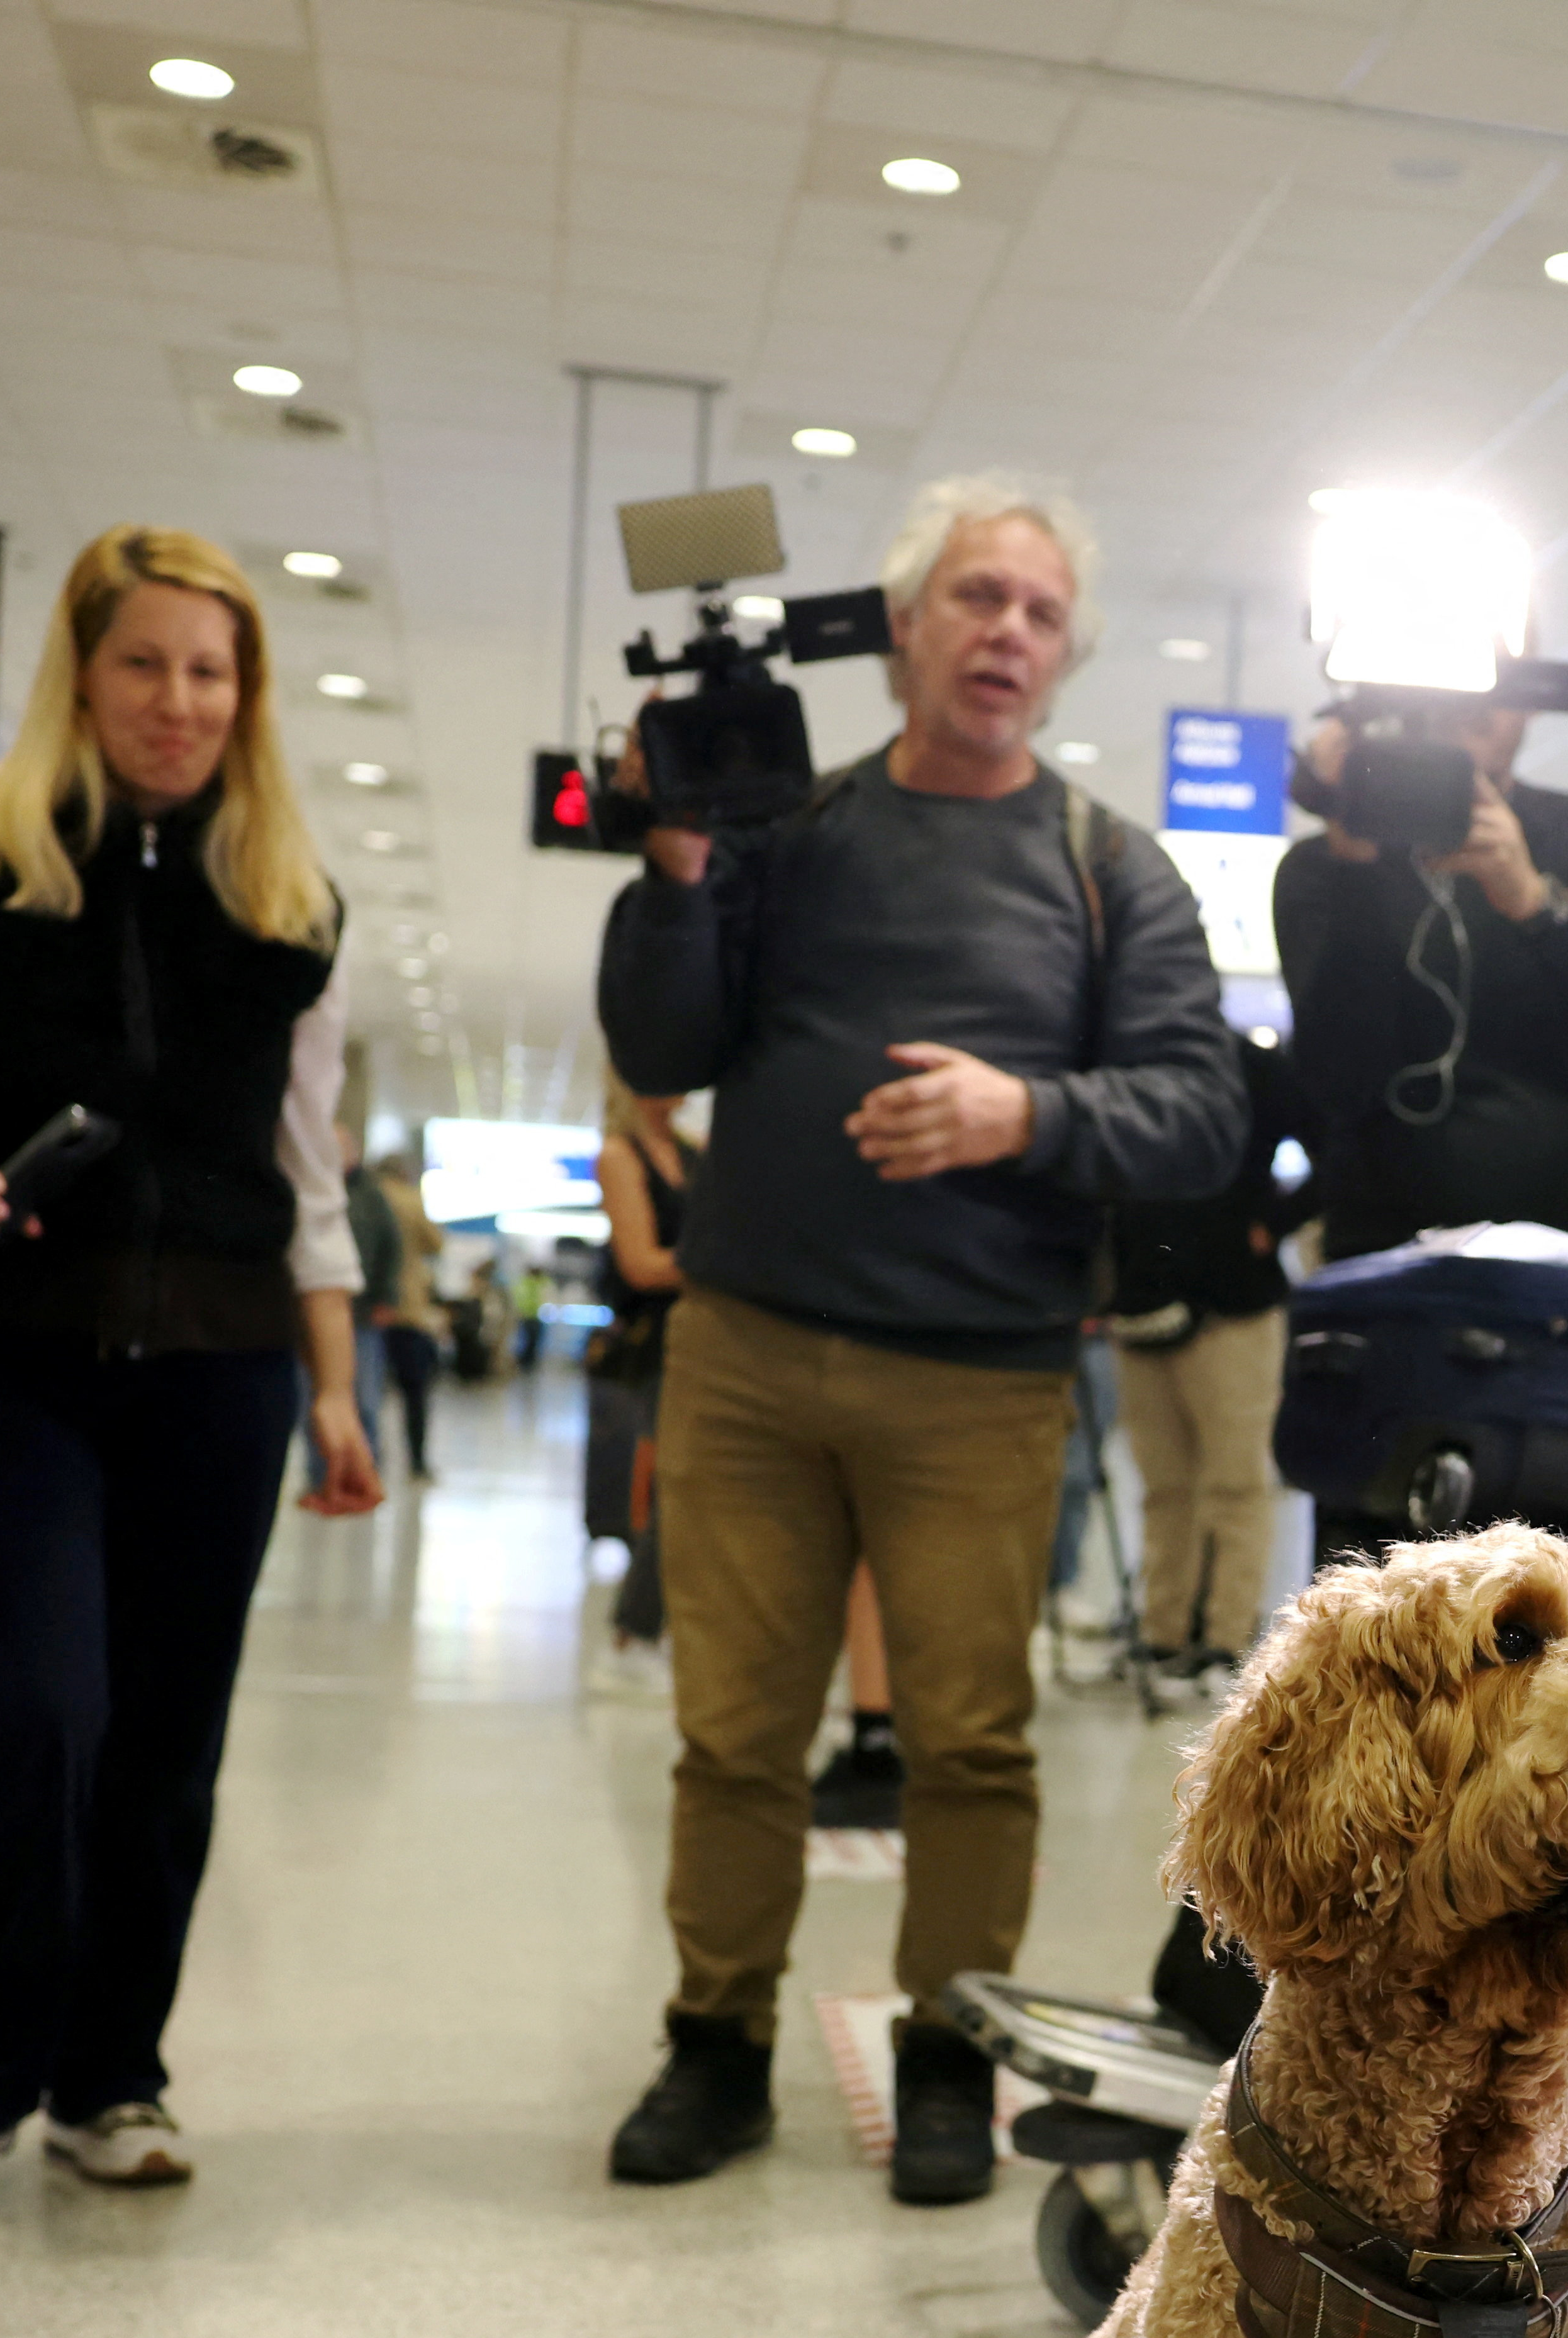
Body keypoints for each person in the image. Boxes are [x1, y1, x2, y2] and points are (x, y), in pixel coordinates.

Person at [590, 471, 1245, 2205]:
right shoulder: (785, 831)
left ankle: (951, 2055)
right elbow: (660, 1044)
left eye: (1038, 610)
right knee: (735, 1733)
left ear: (1065, 655)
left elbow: (1198, 1113)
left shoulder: (1113, 869)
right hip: (745, 1354)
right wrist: (670, 859)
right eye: (975, 598)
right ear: (900, 632)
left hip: (981, 1379)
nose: (1007, 632)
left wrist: (1021, 1114)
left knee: (969, 1741)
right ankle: (714, 2045)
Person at [0, 524, 383, 2215]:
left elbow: (313, 1176)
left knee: (164, 1743)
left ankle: (109, 2077)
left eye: (212, 671)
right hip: (3, 1362)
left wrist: (338, 1393)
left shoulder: (291, 902)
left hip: (220, 1373)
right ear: (83, 671)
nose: (179, 700)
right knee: (41, 1709)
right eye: (144, 663)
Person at [1274, 688, 1568, 1260]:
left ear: (1532, 697)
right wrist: (1357, 852)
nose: (1464, 707)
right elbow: (1333, 1083)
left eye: (1493, 689)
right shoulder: (1325, 866)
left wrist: (1536, 909)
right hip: (1383, 1256)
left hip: (1567, 1256)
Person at [1105, 1141, 1292, 1679]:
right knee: (1163, 1487)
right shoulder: (1124, 1066)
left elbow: (1328, 1141)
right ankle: (1163, 1633)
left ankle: (1227, 1640)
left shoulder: (1249, 1064)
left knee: (1236, 1484)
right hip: (1140, 1310)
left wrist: (1274, 1222)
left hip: (1229, 1312)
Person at [585, 1078, 685, 1696]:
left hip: (708, 1339)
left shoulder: (695, 1151)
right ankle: (633, 1629)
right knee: (672, 1488)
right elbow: (640, 1263)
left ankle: (651, 1626)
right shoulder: (621, 1155)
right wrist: (725, 1260)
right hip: (657, 1345)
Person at [359, 1142, 445, 1482]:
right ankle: (417, 1461)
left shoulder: (366, 1198)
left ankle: (368, 1462)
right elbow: (436, 1244)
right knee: (415, 1391)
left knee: (367, 1390)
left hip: (366, 1308)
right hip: (407, 1309)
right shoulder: (411, 1200)